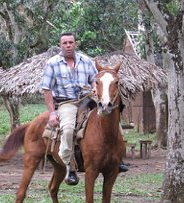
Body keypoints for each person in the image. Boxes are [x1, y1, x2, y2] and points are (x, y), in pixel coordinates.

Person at [41, 32, 128, 185]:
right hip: (66, 103)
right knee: (68, 129)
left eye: (71, 42)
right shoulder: (52, 63)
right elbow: (47, 89)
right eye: (65, 43)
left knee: (112, 119)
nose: (68, 45)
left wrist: (95, 88)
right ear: (60, 45)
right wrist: (52, 113)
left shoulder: (86, 61)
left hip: (87, 100)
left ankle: (118, 159)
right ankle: (70, 167)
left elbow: (96, 79)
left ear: (75, 44)